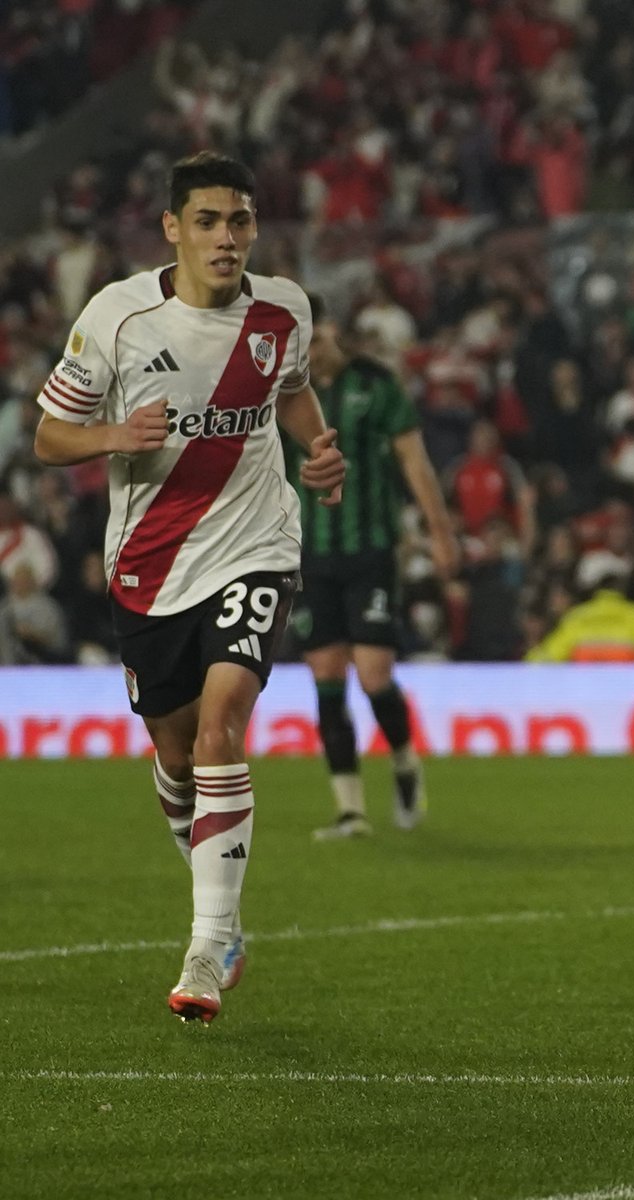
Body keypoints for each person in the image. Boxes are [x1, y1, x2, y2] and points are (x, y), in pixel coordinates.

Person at [32, 151, 345, 1023]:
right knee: (175, 755)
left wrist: (317, 451)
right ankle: (229, 918)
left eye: (240, 221)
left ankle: (205, 948)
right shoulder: (119, 320)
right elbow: (49, 437)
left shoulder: (284, 310)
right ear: (172, 228)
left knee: (221, 726)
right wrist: (113, 438)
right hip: (149, 564)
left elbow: (293, 393)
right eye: (208, 221)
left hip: (255, 546)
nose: (227, 238)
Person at [288, 295, 458, 841]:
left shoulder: (377, 385)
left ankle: (405, 762)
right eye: (299, 345)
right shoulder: (283, 393)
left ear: (334, 330)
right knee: (327, 676)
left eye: (314, 339)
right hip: (310, 554)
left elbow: (414, 461)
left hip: (371, 551)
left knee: (375, 674)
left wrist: (440, 532)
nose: (309, 353)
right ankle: (350, 811)